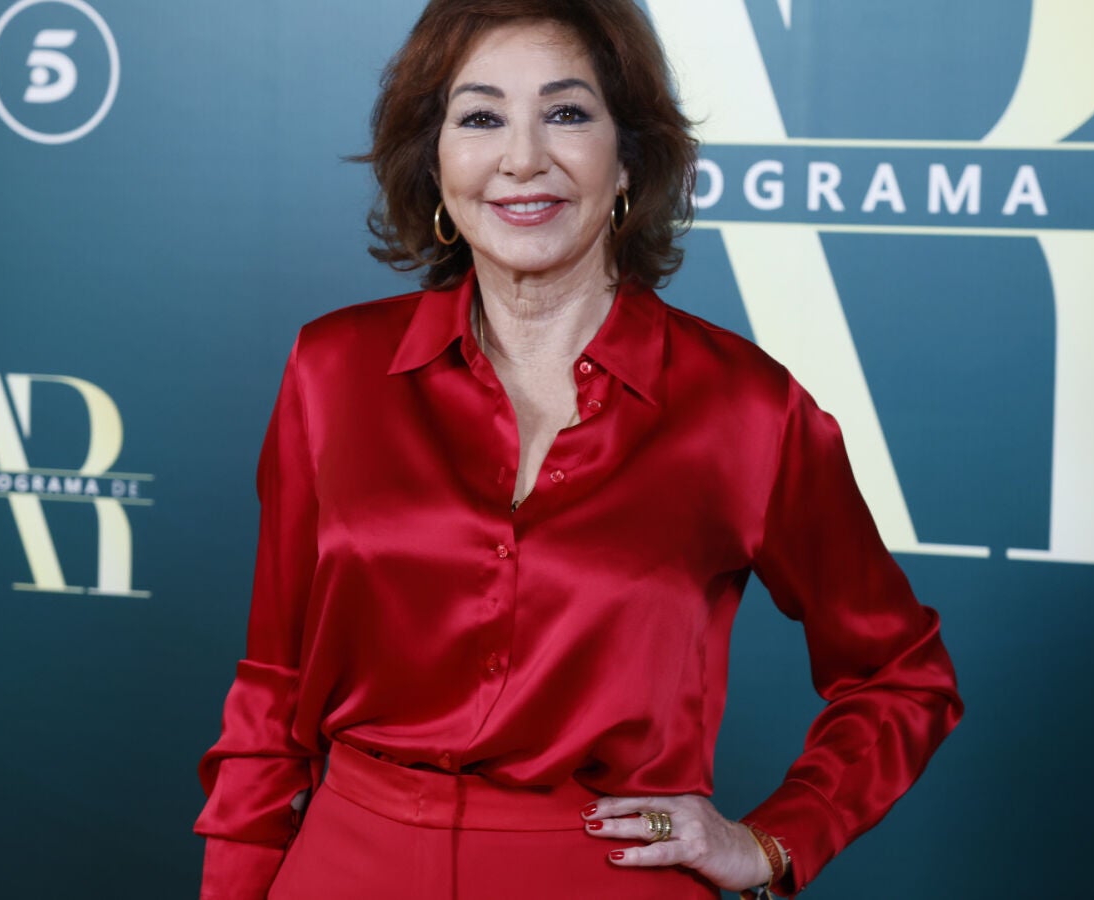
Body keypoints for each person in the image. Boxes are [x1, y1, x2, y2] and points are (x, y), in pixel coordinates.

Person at [192, 1, 963, 897]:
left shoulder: (746, 407)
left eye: (566, 112)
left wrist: (775, 841)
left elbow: (901, 673)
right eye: (480, 118)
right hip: (343, 871)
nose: (523, 158)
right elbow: (273, 690)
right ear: (434, 160)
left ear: (629, 157)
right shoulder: (332, 369)